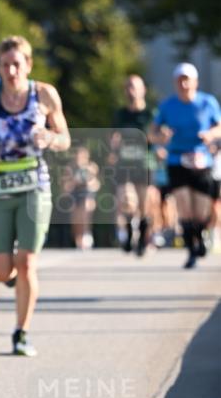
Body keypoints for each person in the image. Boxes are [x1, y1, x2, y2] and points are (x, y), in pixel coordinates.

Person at [0, 35, 70, 357]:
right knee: (1, 272)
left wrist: (50, 138)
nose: (10, 70)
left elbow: (65, 137)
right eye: (4, 65)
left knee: (26, 263)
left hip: (34, 188)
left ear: (28, 65)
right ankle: (15, 284)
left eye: (16, 64)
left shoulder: (44, 94)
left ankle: (21, 332)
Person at [150, 62, 221, 269]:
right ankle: (191, 250)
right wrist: (161, 136)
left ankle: (200, 234)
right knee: (183, 207)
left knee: (201, 211)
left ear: (195, 82)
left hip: (201, 160)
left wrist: (210, 134)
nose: (184, 83)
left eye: (187, 79)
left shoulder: (207, 103)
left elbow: (219, 127)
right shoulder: (167, 105)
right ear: (175, 82)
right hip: (176, 159)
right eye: (180, 79)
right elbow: (152, 133)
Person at [110, 75, 157, 256]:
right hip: (124, 164)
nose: (131, 90)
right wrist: (113, 148)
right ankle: (129, 230)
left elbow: (157, 136)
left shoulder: (151, 114)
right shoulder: (120, 114)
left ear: (143, 90)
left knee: (144, 205)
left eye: (135, 87)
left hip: (144, 164)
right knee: (127, 199)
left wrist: (158, 143)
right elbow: (112, 137)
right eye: (128, 87)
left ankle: (143, 236)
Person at [62, 145, 100, 250]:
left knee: (86, 212)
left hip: (87, 193)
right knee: (76, 218)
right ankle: (78, 239)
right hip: (75, 194)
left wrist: (88, 181)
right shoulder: (70, 168)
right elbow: (66, 186)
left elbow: (96, 184)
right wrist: (74, 181)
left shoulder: (92, 167)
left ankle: (86, 236)